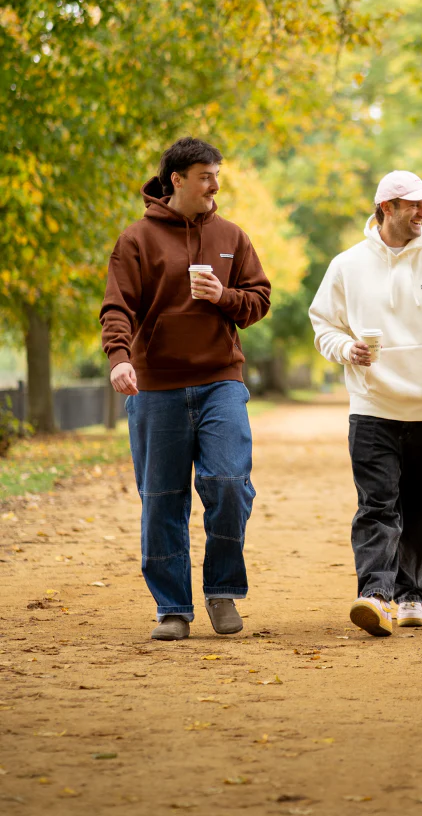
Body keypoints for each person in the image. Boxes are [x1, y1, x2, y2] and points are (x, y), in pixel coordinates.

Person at [100, 137, 271, 641]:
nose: (215, 185)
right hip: (156, 387)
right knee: (161, 499)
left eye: (217, 175)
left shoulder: (232, 236)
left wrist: (224, 296)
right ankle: (172, 608)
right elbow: (116, 306)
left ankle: (222, 590)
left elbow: (259, 300)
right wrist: (119, 358)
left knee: (229, 483)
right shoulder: (136, 239)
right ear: (176, 180)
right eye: (205, 176)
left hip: (221, 380)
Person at [309, 170, 422, 637]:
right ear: (387, 208)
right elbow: (323, 324)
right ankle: (375, 595)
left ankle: (410, 594)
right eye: (414, 204)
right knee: (377, 505)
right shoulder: (347, 264)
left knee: (419, 506)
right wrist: (346, 349)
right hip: (371, 406)